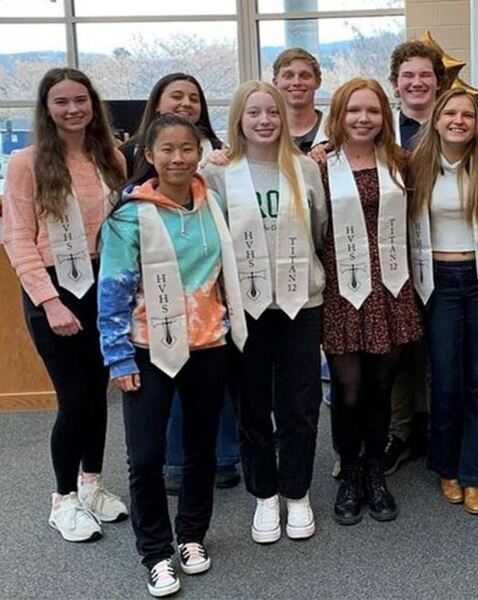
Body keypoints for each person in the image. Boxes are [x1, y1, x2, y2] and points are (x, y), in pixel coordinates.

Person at [98, 114, 246, 597]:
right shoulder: (129, 216)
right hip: (146, 350)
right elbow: (113, 290)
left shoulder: (213, 205)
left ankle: (191, 537)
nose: (178, 158)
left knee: (201, 450)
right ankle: (156, 552)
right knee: (145, 457)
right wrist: (118, 357)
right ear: (149, 155)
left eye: (187, 148)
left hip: (207, 346)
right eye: (167, 150)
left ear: (199, 151)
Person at [3, 67, 128, 543]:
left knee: (99, 394)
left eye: (81, 100)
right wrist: (51, 302)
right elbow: (17, 237)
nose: (73, 109)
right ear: (46, 108)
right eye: (61, 102)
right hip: (54, 290)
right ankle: (63, 499)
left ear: (93, 105)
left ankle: (92, 485)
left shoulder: (109, 157)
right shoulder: (26, 162)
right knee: (74, 398)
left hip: (103, 284)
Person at [203, 81, 327, 544]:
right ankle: (264, 494)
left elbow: (320, 230)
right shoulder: (217, 173)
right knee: (251, 405)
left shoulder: (305, 169)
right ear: (238, 119)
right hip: (245, 308)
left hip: (301, 304)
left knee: (300, 405)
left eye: (271, 112)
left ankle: (297, 492)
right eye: (253, 113)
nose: (264, 121)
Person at [121, 72, 240, 493]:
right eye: (177, 96)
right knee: (161, 393)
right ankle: (170, 467)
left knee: (209, 391)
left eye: (194, 97)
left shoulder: (218, 157)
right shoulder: (132, 160)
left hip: (206, 304)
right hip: (152, 302)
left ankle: (222, 457)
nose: (187, 103)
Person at [321, 77, 422, 525]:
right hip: (341, 289)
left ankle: (377, 473)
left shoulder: (401, 162)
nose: (363, 119)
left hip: (392, 287)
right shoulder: (318, 164)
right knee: (348, 391)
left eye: (373, 111)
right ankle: (351, 472)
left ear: (385, 116)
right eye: (354, 111)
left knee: (382, 388)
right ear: (339, 115)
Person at [408, 88, 478, 514]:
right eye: (450, 113)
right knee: (446, 379)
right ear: (437, 118)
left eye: (468, 114)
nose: (459, 120)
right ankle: (447, 465)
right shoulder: (415, 165)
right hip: (439, 282)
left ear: (477, 121)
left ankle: (476, 472)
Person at [382, 40, 447, 476]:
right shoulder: (383, 132)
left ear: (439, 83)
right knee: (400, 349)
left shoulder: (456, 126)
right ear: (395, 83)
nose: (416, 82)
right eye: (408, 76)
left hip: (447, 255)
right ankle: (400, 432)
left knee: (440, 348)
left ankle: (441, 434)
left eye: (425, 75)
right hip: (393, 254)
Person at [272, 47, 327, 153]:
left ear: (318, 82)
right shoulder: (261, 132)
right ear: (275, 83)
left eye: (305, 76)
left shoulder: (335, 133)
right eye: (288, 76)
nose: (296, 82)